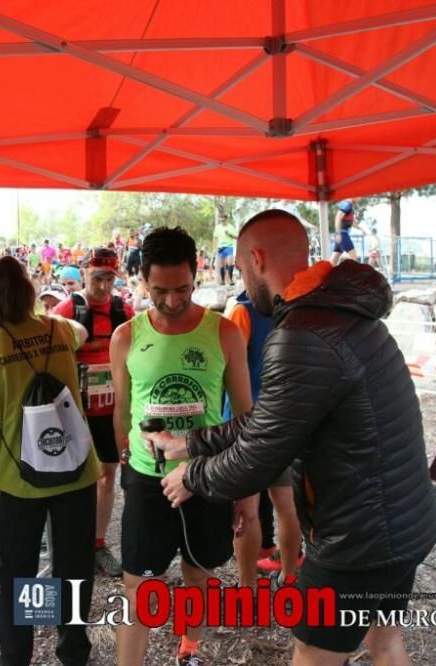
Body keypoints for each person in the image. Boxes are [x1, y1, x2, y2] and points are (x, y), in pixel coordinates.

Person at [146, 209, 436, 666]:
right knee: (384, 641)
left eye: (243, 270)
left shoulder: (303, 333)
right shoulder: (343, 313)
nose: (244, 284)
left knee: (312, 650)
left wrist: (192, 477)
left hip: (356, 540)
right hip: (405, 522)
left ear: (258, 258)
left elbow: (261, 454)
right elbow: (271, 419)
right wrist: (190, 443)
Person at [109, 227, 252, 666]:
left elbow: (246, 419)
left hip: (206, 477)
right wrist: (128, 467)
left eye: (183, 289)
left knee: (200, 573)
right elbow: (122, 411)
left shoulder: (224, 333)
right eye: (159, 291)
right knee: (138, 584)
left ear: (197, 273)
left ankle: (189, 647)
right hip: (149, 480)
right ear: (141, 280)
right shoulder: (126, 337)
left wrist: (242, 493)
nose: (172, 301)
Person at [0, 256, 99, 666]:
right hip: (77, 470)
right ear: (29, 292)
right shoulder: (59, 330)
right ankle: (72, 650)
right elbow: (81, 328)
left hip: (20, 476)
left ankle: (17, 655)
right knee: (73, 564)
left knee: (19, 569)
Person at [52, 247, 135, 578]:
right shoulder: (67, 309)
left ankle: (98, 545)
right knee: (74, 480)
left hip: (111, 410)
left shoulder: (123, 309)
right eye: (97, 278)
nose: (103, 286)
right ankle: (71, 544)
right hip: (75, 411)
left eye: (109, 279)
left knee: (107, 475)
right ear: (84, 275)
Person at [224, 291, 302, 585]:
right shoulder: (298, 310)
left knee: (247, 509)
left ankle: (247, 586)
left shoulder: (242, 313)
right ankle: (290, 575)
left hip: (249, 420)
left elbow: (230, 365)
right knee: (286, 505)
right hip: (285, 418)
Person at [330, 199, 369, 266]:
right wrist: (338, 233)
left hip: (341, 234)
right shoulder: (347, 204)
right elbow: (338, 218)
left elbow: (351, 222)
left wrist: (362, 229)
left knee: (335, 257)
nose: (360, 197)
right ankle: (354, 275)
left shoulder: (350, 206)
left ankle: (325, 274)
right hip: (343, 234)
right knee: (354, 259)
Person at [213, 216, 238, 286]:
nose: (222, 221)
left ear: (226, 220)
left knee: (230, 262)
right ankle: (223, 281)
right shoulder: (218, 228)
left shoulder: (231, 227)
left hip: (229, 246)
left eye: (224, 220)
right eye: (221, 220)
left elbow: (236, 237)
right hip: (221, 247)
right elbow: (215, 238)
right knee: (222, 264)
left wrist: (229, 234)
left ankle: (230, 279)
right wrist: (214, 248)